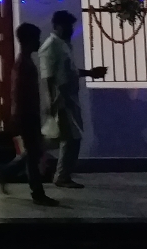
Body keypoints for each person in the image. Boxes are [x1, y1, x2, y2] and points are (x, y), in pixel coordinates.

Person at [0, 23, 60, 206]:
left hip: (28, 114)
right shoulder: (24, 64)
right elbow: (20, 93)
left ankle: (6, 173)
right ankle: (37, 192)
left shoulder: (24, 62)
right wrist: (20, 116)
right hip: (27, 115)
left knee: (33, 152)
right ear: (30, 40)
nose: (39, 42)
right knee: (33, 154)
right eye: (36, 39)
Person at [39, 11, 106, 188]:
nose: (71, 29)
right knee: (68, 138)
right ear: (58, 26)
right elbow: (48, 77)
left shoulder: (64, 44)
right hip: (61, 98)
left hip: (69, 98)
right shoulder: (50, 46)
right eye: (68, 26)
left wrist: (91, 73)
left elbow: (70, 71)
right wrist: (51, 100)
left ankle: (59, 173)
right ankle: (59, 175)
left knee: (64, 138)